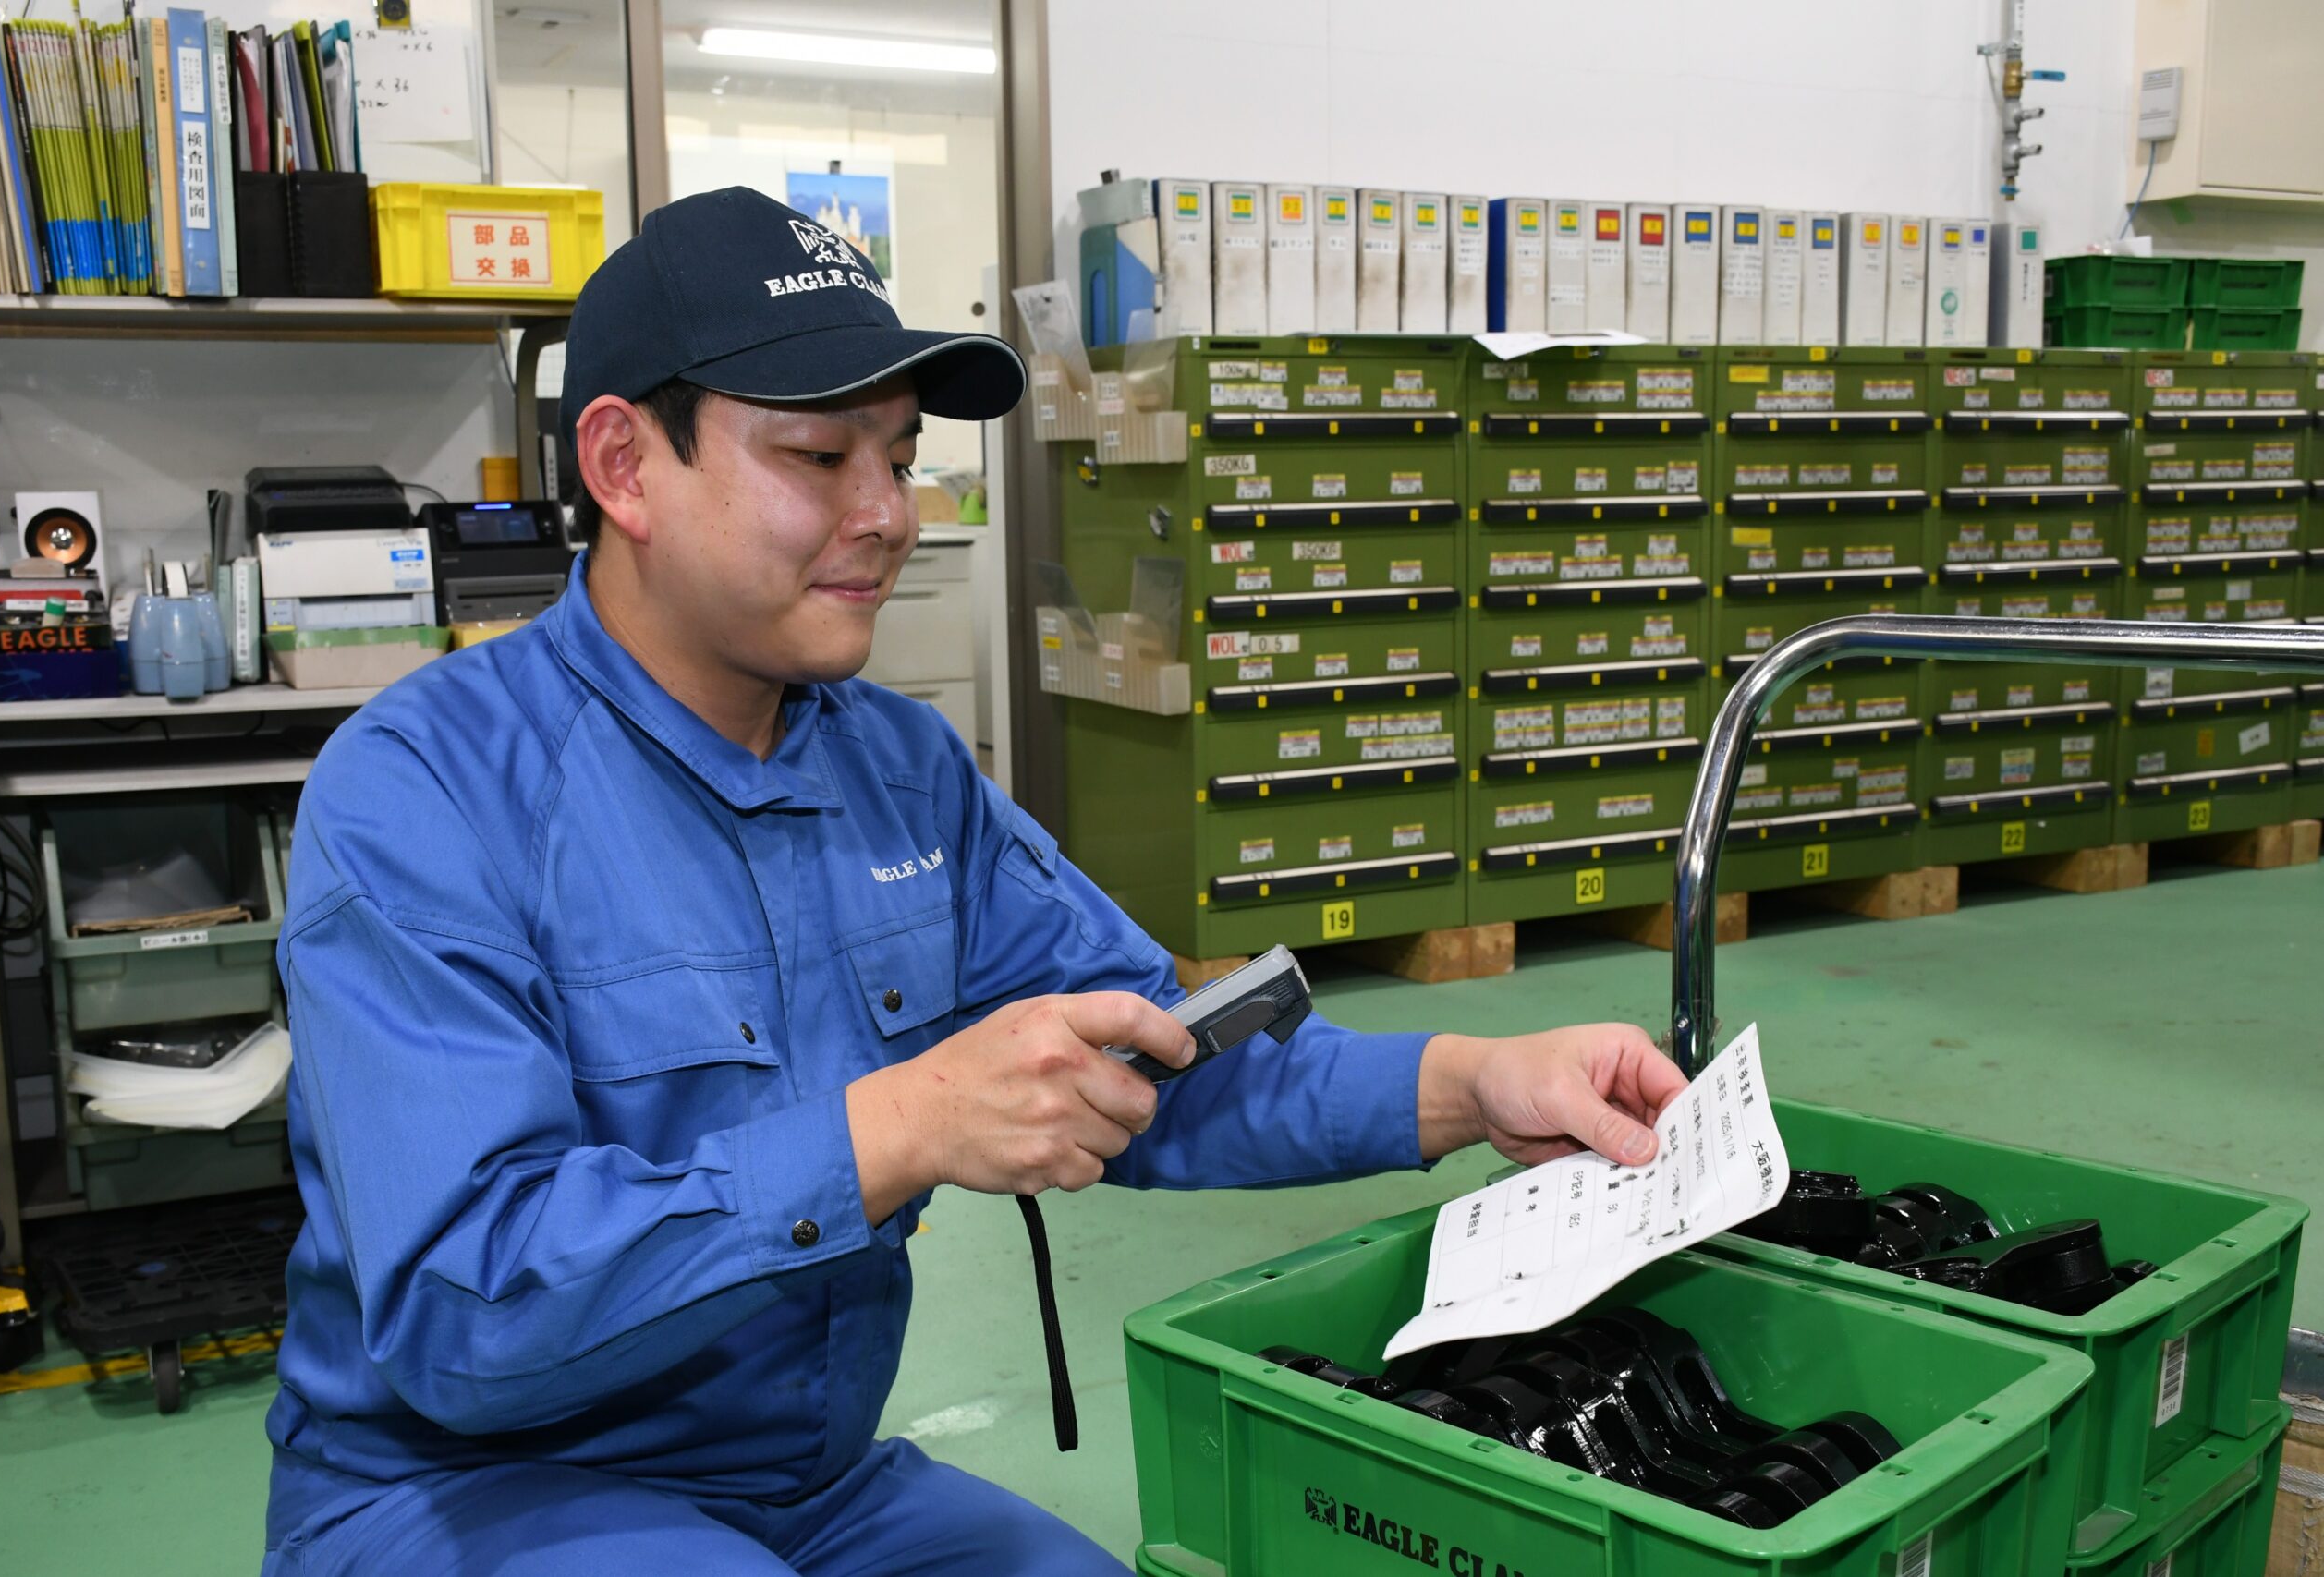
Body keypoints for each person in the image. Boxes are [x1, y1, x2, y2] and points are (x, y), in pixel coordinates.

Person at [261, 186, 1687, 1576]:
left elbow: (1159, 1056)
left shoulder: (900, 768)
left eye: (901, 453)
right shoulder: (427, 794)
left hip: (806, 1489)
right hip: (469, 1495)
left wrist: (1473, 1082)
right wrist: (901, 1127)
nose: (889, 513)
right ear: (626, 465)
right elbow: (466, 1314)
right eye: (822, 457)